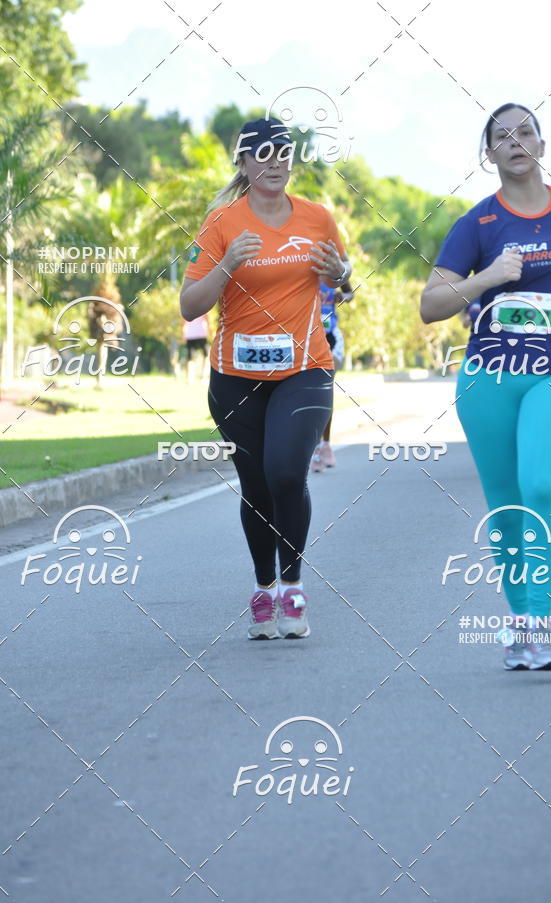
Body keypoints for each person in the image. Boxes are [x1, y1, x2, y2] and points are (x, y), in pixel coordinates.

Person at [421, 102, 551, 671]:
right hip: (490, 380)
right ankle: (520, 622)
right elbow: (431, 305)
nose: (516, 142)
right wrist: (490, 277)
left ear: (542, 146)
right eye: (502, 136)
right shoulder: (476, 225)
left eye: (526, 132)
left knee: (542, 486)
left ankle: (542, 623)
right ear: (489, 155)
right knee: (506, 503)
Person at [180, 117, 351, 640]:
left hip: (305, 369)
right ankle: (263, 588)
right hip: (235, 378)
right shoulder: (221, 225)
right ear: (244, 163)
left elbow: (342, 285)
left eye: (285, 153)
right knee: (255, 486)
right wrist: (228, 263)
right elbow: (190, 304)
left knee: (284, 472)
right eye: (264, 153)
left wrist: (341, 277)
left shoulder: (318, 218)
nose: (276, 162)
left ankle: (293, 585)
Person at [310, 279, 353, 472]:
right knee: (310, 391)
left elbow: (350, 293)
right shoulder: (296, 267)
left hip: (331, 335)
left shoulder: (331, 268)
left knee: (325, 387)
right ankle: (315, 448)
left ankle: (325, 445)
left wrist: (343, 297)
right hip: (306, 337)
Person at [183, 314, 211, 381]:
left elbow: (183, 322)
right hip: (199, 334)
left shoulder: (188, 306)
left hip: (192, 335)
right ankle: (199, 376)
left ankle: (193, 377)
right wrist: (210, 332)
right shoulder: (203, 305)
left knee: (191, 358)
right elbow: (207, 320)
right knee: (204, 356)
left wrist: (183, 335)